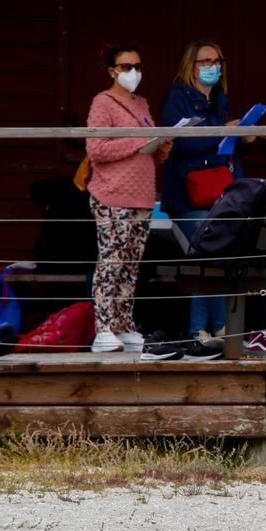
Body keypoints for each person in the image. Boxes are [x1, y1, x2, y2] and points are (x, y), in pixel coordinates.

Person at [149, 40, 250, 360]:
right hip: (189, 193)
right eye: (204, 61)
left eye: (217, 60)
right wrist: (226, 129)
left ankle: (218, 327)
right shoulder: (177, 97)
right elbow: (182, 143)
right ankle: (199, 329)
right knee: (205, 256)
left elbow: (223, 145)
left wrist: (243, 136)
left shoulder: (220, 98)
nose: (211, 66)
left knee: (217, 256)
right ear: (190, 66)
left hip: (220, 191)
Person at [85, 44, 172, 353]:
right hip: (112, 194)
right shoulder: (103, 102)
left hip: (142, 196)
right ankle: (103, 328)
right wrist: (139, 141)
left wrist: (161, 146)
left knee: (131, 265)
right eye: (126, 66)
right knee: (111, 262)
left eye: (137, 65)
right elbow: (96, 149)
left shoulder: (143, 104)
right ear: (112, 71)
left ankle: (123, 325)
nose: (133, 72)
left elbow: (144, 154)